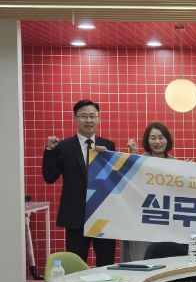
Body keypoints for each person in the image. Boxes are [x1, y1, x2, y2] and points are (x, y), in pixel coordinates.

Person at [42, 99, 116, 266]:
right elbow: (49, 177)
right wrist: (50, 150)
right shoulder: (64, 146)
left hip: (103, 215)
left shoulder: (108, 145)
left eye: (92, 116)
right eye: (84, 116)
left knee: (106, 264)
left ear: (98, 118)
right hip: (75, 217)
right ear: (75, 118)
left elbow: (115, 180)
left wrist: (106, 159)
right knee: (76, 265)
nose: (88, 120)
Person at [124, 122, 177, 262]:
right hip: (143, 220)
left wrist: (188, 172)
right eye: (153, 138)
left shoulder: (177, 164)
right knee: (142, 261)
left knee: (166, 262)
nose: (157, 142)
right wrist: (133, 157)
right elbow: (129, 186)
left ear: (167, 140)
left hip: (166, 222)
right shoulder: (139, 160)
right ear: (147, 141)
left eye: (161, 137)